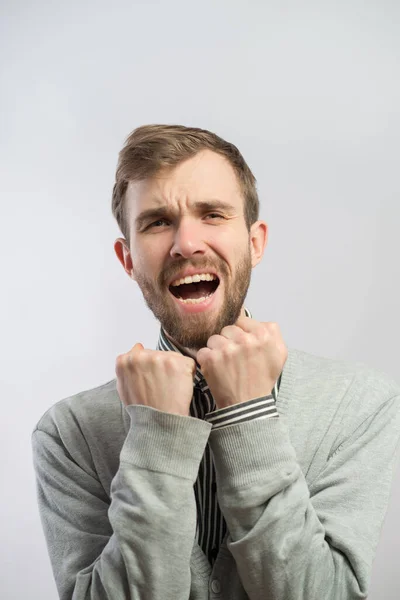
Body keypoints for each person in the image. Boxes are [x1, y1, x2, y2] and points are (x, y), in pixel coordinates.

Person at [32, 124, 400, 600]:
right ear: (128, 260)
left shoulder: (360, 404)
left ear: (256, 243)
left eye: (212, 214)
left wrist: (248, 415)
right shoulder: (70, 434)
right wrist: (157, 435)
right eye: (157, 221)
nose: (187, 243)